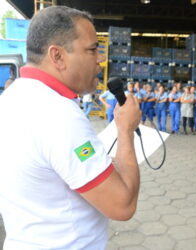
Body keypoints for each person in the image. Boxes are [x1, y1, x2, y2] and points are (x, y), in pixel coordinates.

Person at [0, 6, 141, 249]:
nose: (100, 59)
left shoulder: (13, 97)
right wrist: (125, 130)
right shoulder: (57, 115)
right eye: (92, 50)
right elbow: (123, 204)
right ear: (57, 56)